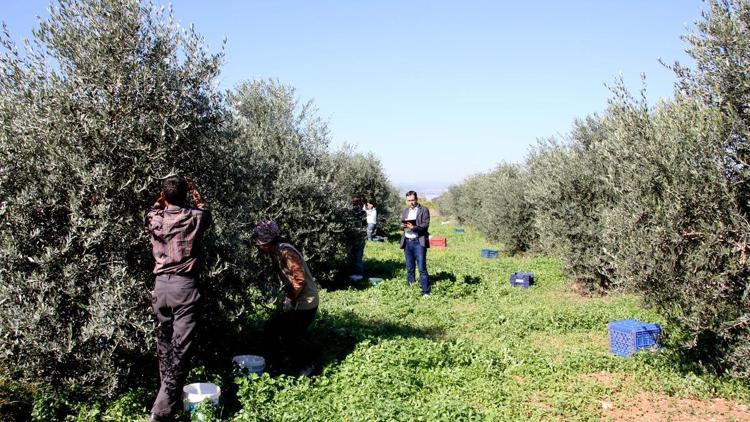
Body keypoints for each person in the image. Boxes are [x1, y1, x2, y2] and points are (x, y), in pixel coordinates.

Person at [144, 174, 211, 422]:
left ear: (164, 195)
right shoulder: (194, 217)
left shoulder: (153, 218)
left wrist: (166, 195)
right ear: (185, 194)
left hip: (160, 289)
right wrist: (195, 192)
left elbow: (154, 207)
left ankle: (167, 404)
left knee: (165, 347)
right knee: (181, 350)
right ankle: (160, 411)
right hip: (184, 289)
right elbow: (204, 209)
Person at [252, 220, 319, 375]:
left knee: (292, 336)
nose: (258, 246)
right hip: (297, 301)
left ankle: (308, 367)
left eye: (260, 243)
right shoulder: (275, 252)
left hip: (305, 303)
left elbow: (299, 279)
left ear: (267, 241)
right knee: (277, 330)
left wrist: (290, 299)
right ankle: (287, 364)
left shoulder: (286, 252)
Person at [399, 191, 431, 296]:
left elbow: (425, 225)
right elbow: (401, 224)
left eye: (412, 200)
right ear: (406, 201)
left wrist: (414, 227)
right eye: (409, 201)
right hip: (407, 242)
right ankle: (411, 289)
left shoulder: (424, 210)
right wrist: (402, 227)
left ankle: (426, 291)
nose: (411, 202)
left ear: (416, 199)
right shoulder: (405, 211)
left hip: (418, 242)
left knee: (422, 267)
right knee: (409, 268)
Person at [347, 195, 367, 280]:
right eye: (354, 202)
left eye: (356, 202)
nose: (355, 204)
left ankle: (359, 276)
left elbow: (364, 225)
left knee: (358, 258)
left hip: (359, 239)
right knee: (351, 257)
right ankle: (352, 274)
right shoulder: (350, 212)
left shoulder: (362, 213)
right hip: (352, 238)